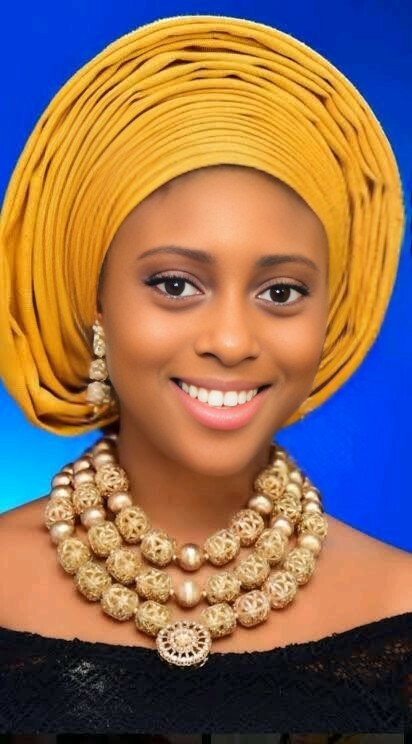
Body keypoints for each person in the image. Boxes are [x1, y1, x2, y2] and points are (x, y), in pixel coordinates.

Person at [0, 13, 410, 735]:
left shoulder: (396, 603)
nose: (230, 340)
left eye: (280, 292)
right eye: (175, 284)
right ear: (97, 303)